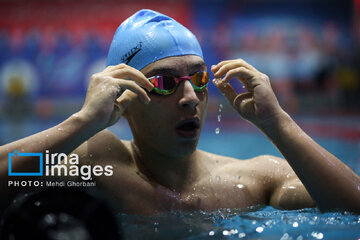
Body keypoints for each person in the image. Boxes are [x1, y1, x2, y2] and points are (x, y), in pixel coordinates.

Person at [0, 9, 359, 216]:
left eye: (199, 78)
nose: (190, 97)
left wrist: (278, 123)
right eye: (164, 82)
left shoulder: (255, 179)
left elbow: (353, 208)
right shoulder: (99, 165)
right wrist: (82, 123)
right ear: (124, 96)